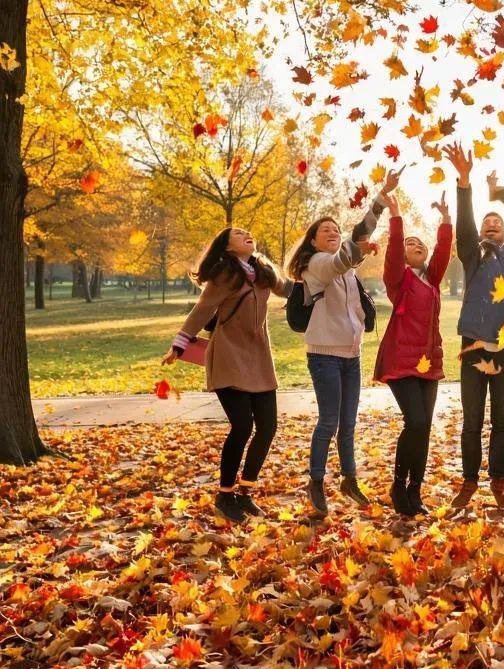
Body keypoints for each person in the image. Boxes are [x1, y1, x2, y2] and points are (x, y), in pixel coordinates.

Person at [285, 169, 399, 517]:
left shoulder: (345, 270)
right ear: (313, 241)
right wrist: (373, 212)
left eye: (336, 229)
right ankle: (316, 482)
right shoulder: (317, 265)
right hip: (325, 357)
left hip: (351, 356)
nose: (333, 233)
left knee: (349, 423)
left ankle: (348, 479)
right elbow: (347, 252)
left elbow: (354, 247)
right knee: (329, 422)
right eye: (326, 231)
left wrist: (380, 202)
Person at [162, 228, 292, 522]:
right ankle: (225, 494)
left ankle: (245, 492)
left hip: (259, 357)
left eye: (248, 232)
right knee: (243, 425)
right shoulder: (225, 274)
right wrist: (179, 345)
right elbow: (202, 309)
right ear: (228, 246)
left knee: (268, 426)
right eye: (238, 233)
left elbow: (290, 290)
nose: (247, 234)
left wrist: (320, 277)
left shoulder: (263, 270)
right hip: (229, 355)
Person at [442, 144, 504, 513]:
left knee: (502, 419)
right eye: (487, 221)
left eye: (497, 221)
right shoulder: (471, 255)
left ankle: (498, 481)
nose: (491, 224)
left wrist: (502, 195)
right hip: (472, 346)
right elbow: (464, 228)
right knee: (471, 420)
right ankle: (470, 481)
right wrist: (465, 184)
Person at [372, 188, 452, 516]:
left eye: (421, 244)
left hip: (428, 360)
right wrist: (396, 219)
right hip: (400, 360)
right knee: (415, 421)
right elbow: (392, 253)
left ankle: (414, 491)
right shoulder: (398, 278)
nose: (415, 245)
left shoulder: (431, 280)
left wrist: (446, 221)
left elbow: (444, 253)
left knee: (424, 426)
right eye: (409, 243)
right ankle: (397, 483)